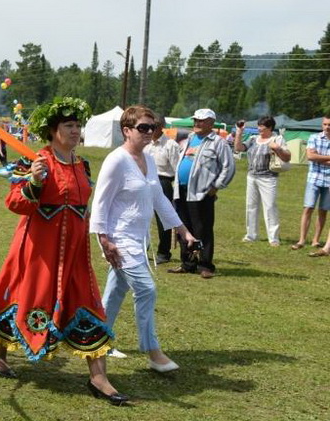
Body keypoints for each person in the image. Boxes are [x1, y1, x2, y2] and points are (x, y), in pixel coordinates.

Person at [0, 97, 128, 405]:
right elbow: (15, 204)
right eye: (69, 125)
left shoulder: (82, 164)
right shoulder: (35, 161)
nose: (75, 130)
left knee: (86, 303)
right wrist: (35, 182)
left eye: (78, 125)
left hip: (75, 254)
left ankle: (99, 378)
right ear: (53, 131)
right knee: (22, 299)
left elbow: (83, 206)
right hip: (38, 251)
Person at [90, 106, 198, 374]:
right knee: (146, 290)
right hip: (118, 241)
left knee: (115, 293)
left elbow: (159, 199)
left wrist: (183, 230)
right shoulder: (116, 160)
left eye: (152, 127)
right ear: (126, 130)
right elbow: (100, 203)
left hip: (139, 239)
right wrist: (104, 239)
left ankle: (97, 341)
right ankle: (153, 352)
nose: (149, 132)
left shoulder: (148, 159)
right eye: (143, 128)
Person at [168, 108, 235, 279]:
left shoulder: (218, 142)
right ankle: (188, 263)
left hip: (202, 192)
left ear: (211, 123)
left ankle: (205, 265)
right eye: (195, 120)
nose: (197, 123)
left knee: (202, 228)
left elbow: (228, 167)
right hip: (182, 191)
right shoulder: (190, 138)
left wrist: (216, 187)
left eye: (201, 120)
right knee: (184, 227)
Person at [234, 117, 292, 247]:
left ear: (270, 128)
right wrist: (239, 132)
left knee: (270, 207)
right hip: (252, 176)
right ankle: (251, 235)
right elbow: (238, 148)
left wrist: (277, 148)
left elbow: (288, 157)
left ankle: (273, 238)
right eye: (259, 126)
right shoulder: (253, 139)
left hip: (269, 178)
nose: (259, 129)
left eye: (263, 127)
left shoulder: (277, 139)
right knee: (251, 206)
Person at [291, 116, 330, 250]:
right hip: (314, 178)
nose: (327, 127)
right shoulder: (314, 137)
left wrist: (319, 157)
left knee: (323, 211)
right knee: (308, 208)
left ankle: (316, 240)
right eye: (325, 124)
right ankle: (301, 240)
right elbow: (310, 156)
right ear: (322, 125)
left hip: (329, 181)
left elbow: (315, 157)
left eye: (329, 124)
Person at [145, 123, 182, 262]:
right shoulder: (147, 144)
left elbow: (176, 168)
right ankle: (142, 249)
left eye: (153, 126)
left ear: (161, 127)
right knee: (142, 215)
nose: (150, 130)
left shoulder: (170, 145)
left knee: (163, 219)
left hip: (163, 182)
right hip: (146, 180)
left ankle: (164, 252)